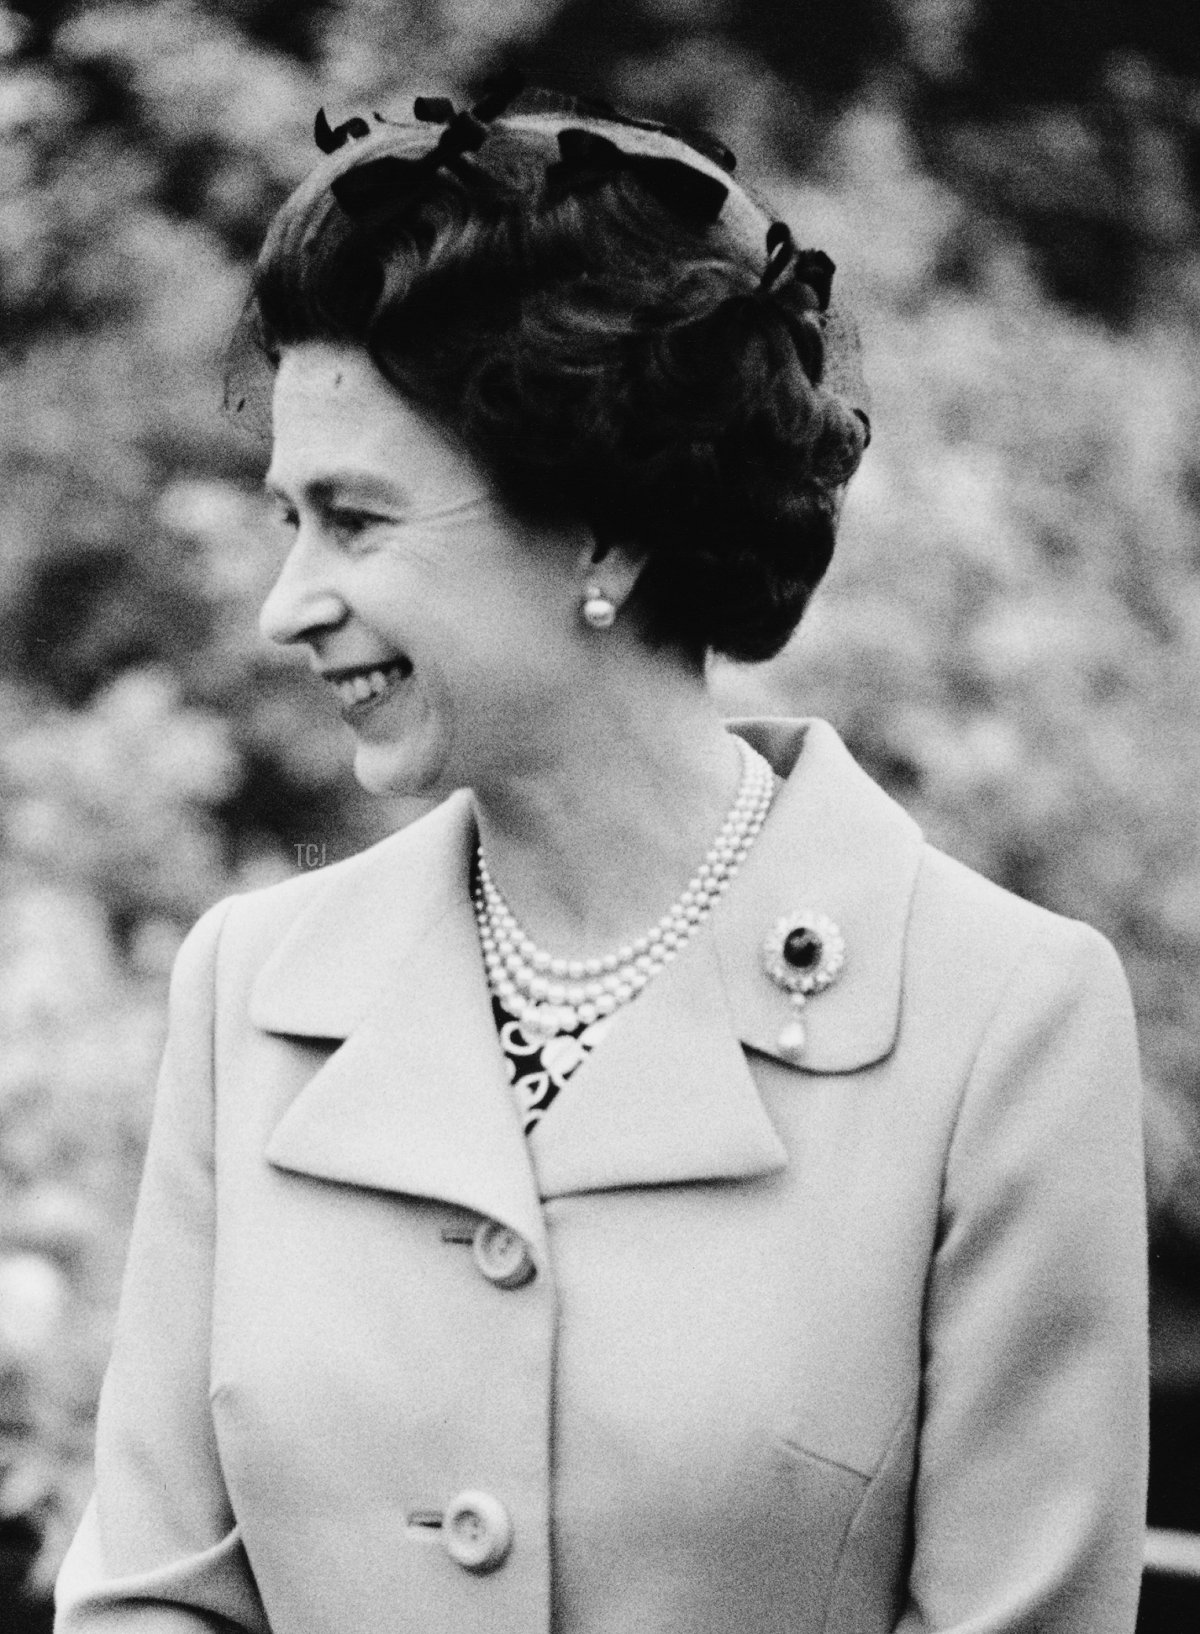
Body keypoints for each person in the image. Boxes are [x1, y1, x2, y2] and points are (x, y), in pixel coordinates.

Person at [55, 78, 1148, 1634]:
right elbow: (152, 1596)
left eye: (356, 523)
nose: (282, 604)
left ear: (604, 530)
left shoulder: (1008, 1026)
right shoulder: (249, 991)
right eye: (289, 518)